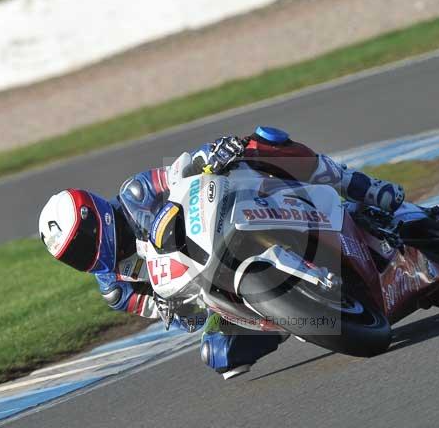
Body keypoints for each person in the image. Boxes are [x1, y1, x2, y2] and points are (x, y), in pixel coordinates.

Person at [38, 127, 404, 379]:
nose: (84, 257)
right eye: (73, 256)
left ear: (94, 218)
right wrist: (181, 314)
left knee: (263, 142)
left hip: (232, 214)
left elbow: (180, 170)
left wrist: (210, 155)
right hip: (215, 292)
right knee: (219, 355)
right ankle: (297, 316)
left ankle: (360, 186)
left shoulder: (136, 194)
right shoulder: (118, 289)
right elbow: (181, 321)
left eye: (81, 244)